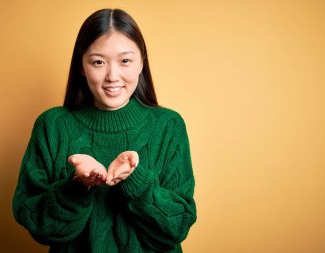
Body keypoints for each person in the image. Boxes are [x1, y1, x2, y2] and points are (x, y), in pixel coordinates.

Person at [12, 8, 196, 253]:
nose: (112, 76)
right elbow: (35, 222)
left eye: (125, 61)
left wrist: (136, 181)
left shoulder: (169, 126)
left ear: (142, 62)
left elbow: (176, 227)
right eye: (98, 62)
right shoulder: (52, 125)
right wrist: (77, 187)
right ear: (81, 66)